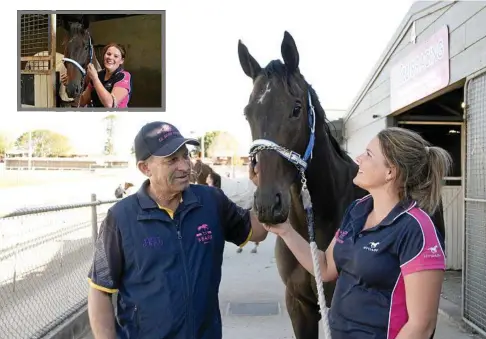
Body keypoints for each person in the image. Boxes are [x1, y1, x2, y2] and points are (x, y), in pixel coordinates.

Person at [253, 127, 451, 339]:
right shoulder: (357, 210)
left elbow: (421, 326)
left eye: (368, 154)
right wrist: (286, 232)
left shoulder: (416, 229)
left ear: (390, 172)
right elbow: (327, 267)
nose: (358, 159)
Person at [86, 121, 268, 339]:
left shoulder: (212, 202)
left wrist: (263, 188)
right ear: (145, 168)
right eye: (172, 160)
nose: (184, 166)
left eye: (185, 156)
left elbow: (259, 231)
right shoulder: (120, 218)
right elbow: (100, 290)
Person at [61, 43, 132, 108]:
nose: (110, 58)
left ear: (121, 61)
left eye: (116, 56)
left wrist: (95, 79)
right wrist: (71, 85)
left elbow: (110, 104)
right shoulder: (99, 75)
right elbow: (82, 101)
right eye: (108, 54)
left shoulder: (124, 76)